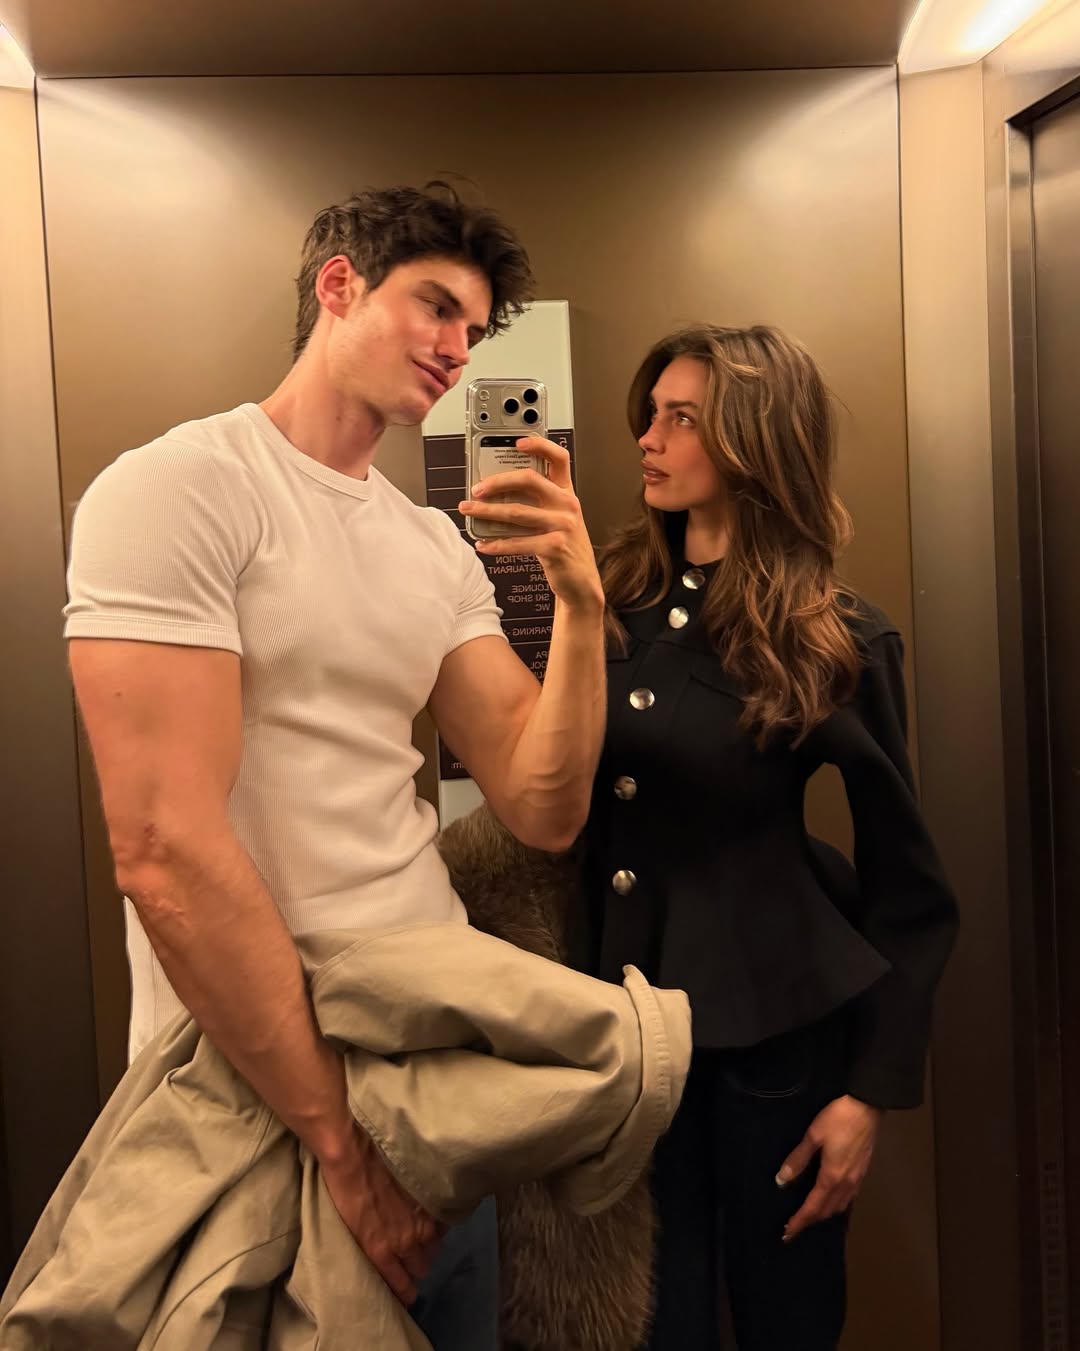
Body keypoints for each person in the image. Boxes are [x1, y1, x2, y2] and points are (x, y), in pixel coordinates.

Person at [62, 182, 606, 1350]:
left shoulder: (429, 545)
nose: (458, 347)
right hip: (251, 1089)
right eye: (436, 306)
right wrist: (339, 1143)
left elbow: (543, 804)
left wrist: (581, 611)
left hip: (427, 1077)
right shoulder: (182, 487)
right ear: (339, 286)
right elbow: (162, 849)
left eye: (475, 329)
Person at [581, 324, 958, 1350]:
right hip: (620, 1035)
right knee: (652, 1323)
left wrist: (870, 1094)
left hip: (775, 1038)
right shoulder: (608, 607)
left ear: (753, 441)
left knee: (785, 1318)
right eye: (650, 414)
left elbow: (912, 889)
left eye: (681, 418)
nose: (649, 438)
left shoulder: (834, 634)